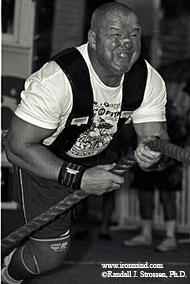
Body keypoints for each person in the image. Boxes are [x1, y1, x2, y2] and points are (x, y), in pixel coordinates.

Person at [2, 2, 169, 283]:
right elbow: (17, 147)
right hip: (45, 160)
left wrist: (153, 155)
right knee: (50, 254)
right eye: (115, 34)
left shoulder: (147, 79)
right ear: (92, 38)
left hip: (94, 157)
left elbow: (156, 138)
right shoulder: (57, 80)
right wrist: (79, 177)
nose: (126, 44)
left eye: (134, 34)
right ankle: (8, 276)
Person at [123, 99, 187, 251]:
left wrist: (177, 168)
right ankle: (146, 234)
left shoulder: (175, 120)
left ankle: (170, 237)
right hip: (144, 160)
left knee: (167, 198)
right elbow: (133, 140)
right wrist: (134, 167)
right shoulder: (140, 113)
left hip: (168, 165)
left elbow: (181, 145)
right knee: (144, 196)